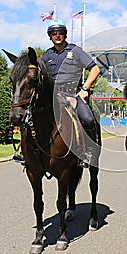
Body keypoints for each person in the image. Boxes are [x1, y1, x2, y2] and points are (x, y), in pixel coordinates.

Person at [41, 19, 100, 167]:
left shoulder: (76, 51)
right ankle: (27, 152)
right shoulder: (46, 55)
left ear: (65, 34)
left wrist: (85, 89)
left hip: (74, 95)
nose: (57, 35)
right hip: (53, 97)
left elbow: (95, 69)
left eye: (60, 32)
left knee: (88, 120)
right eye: (54, 33)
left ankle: (88, 153)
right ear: (50, 36)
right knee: (31, 116)